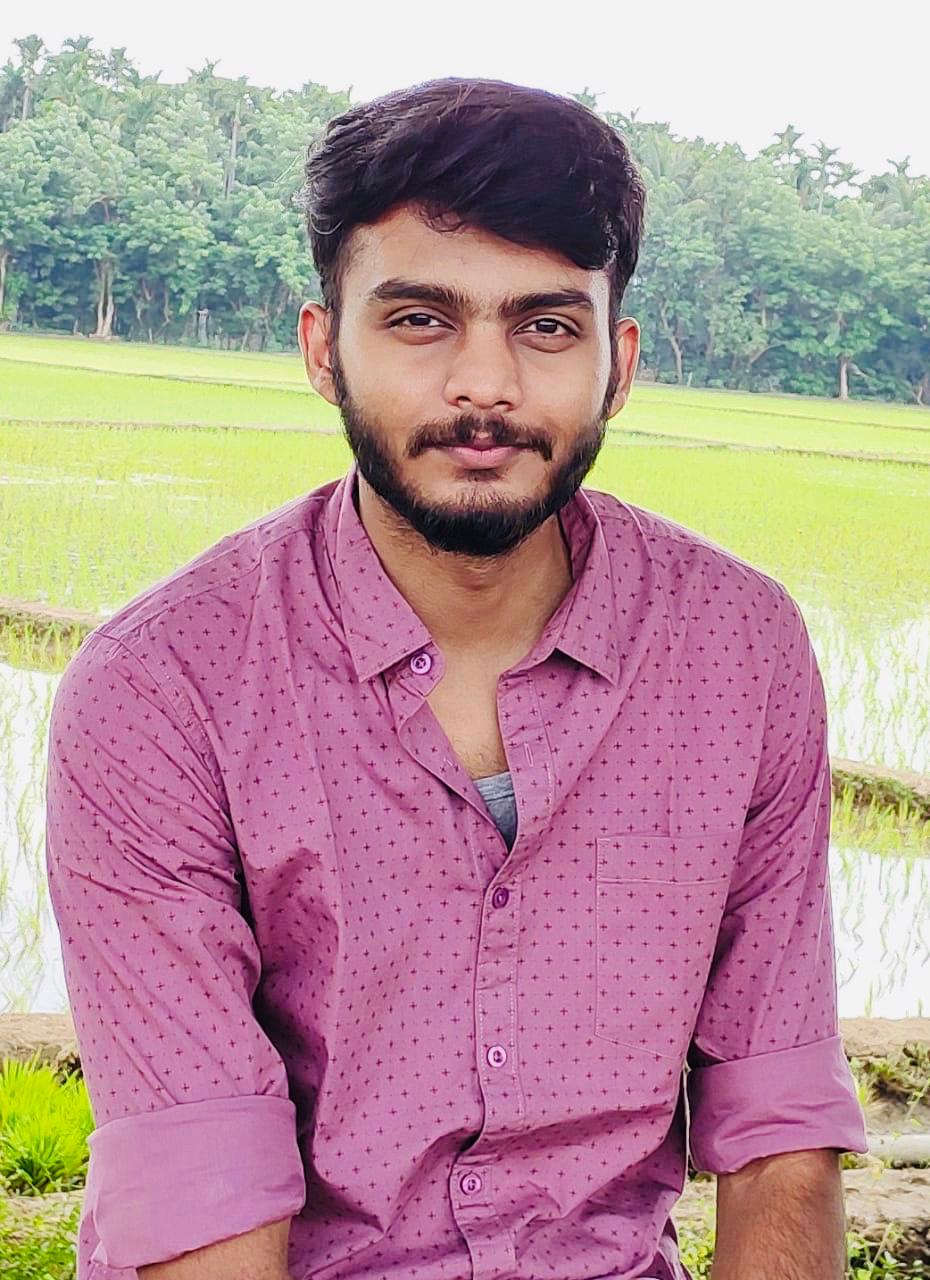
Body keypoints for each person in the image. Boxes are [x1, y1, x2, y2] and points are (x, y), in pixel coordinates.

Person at [45, 77, 868, 1280]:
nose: (486, 384)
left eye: (546, 326)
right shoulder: (164, 688)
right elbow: (200, 1188)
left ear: (618, 363)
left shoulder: (738, 650)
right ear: (324, 347)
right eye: (422, 319)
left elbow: (779, 1126)